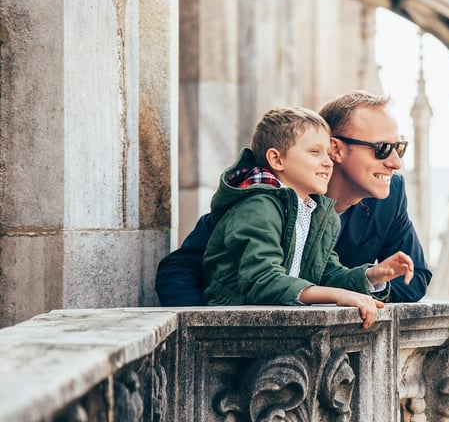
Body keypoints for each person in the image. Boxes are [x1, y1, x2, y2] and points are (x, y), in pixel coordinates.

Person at [156, 91, 431, 306]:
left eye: (399, 148)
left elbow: (415, 279)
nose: (396, 162)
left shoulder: (389, 195)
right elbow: (179, 269)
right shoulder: (260, 199)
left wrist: (371, 280)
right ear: (336, 149)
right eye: (383, 149)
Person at [201, 106, 415, 327]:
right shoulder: (257, 205)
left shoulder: (317, 211)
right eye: (315, 152)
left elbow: (326, 272)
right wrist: (336, 296)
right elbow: (261, 280)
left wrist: (372, 276)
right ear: (276, 159)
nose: (328, 162)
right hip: (235, 327)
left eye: (327, 153)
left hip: (280, 323)